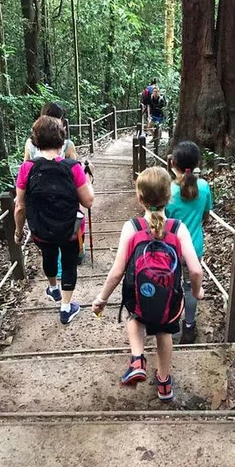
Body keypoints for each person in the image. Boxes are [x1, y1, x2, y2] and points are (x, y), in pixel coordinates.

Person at [92, 167, 204, 402]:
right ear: (169, 196)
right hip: (170, 300)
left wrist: (101, 299)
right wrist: (197, 291)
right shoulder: (177, 228)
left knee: (135, 318)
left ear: (139, 197)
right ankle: (164, 383)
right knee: (164, 331)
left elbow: (117, 271)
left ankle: (137, 358)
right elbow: (195, 269)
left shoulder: (132, 228)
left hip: (139, 295)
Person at [15, 116, 95, 324]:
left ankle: (52, 288)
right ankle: (66, 308)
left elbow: (20, 206)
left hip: (40, 228)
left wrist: (17, 231)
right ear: (62, 139)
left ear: (35, 141)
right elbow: (88, 201)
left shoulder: (27, 168)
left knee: (48, 255)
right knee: (69, 263)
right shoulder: (72, 167)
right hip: (69, 228)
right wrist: (87, 179)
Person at [166, 141, 212, 344]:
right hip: (195, 247)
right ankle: (190, 325)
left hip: (170, 248)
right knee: (190, 287)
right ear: (197, 164)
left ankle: (170, 321)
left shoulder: (167, 191)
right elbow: (206, 215)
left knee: (170, 285)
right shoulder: (203, 187)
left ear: (172, 163)